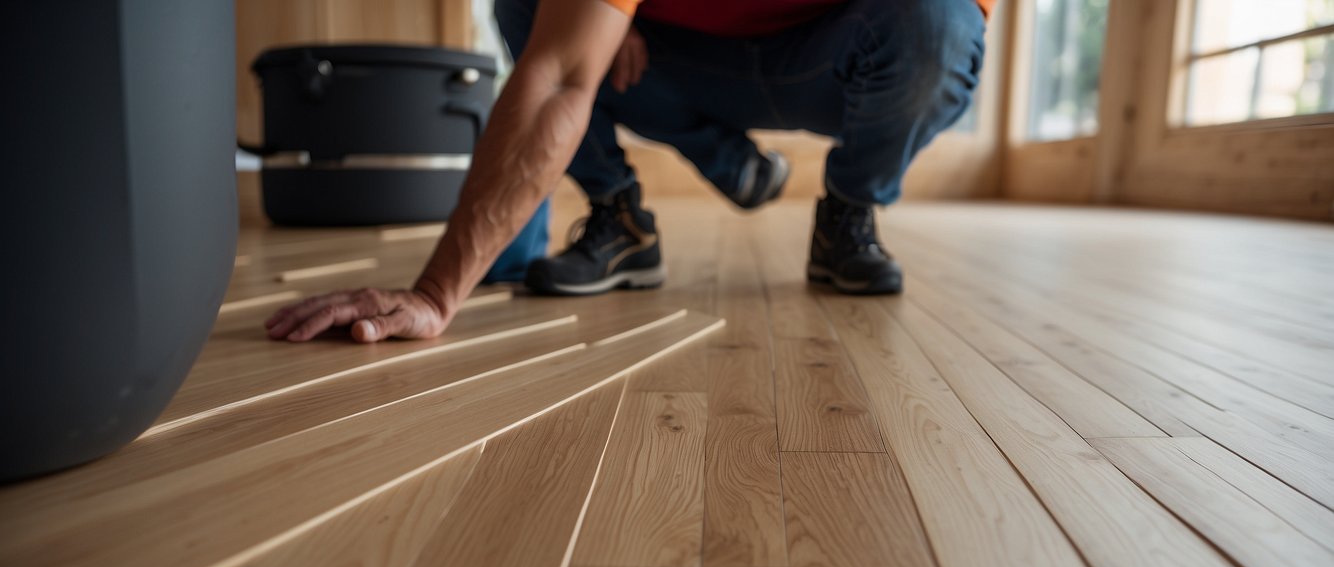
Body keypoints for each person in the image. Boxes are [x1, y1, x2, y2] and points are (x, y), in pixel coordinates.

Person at [266, 0, 991, 343]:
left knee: (940, 28)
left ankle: (847, 211)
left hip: (841, 60)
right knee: (531, 7)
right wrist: (434, 293)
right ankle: (623, 216)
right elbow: (556, 79)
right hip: (677, 61)